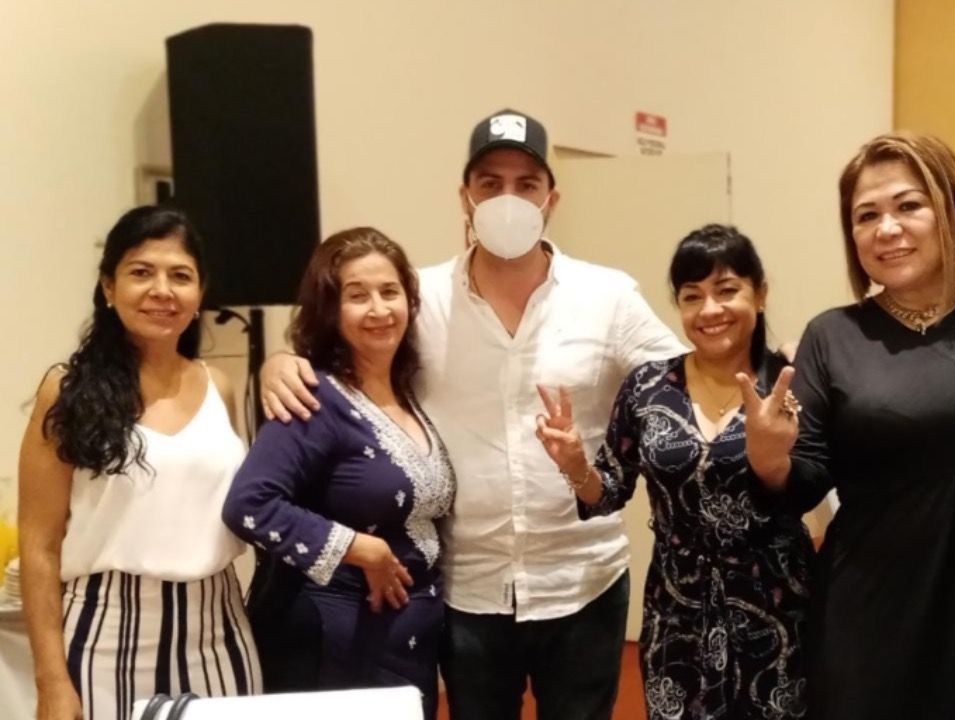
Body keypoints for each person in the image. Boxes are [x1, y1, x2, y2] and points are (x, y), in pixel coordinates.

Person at [259, 109, 685, 720]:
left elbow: (685, 381)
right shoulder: (419, 298)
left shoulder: (608, 296)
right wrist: (279, 361)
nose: (508, 198)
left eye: (526, 184)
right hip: (468, 587)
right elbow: (342, 353)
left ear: (552, 198)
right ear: (465, 196)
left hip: (583, 579)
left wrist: (773, 360)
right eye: (490, 183)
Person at [740, 132, 955, 719]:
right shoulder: (833, 336)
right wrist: (768, 456)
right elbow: (803, 481)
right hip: (874, 609)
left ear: (952, 208)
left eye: (908, 205)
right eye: (866, 215)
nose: (886, 229)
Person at [534, 224, 813, 719]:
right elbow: (608, 492)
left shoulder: (790, 384)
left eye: (727, 290)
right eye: (692, 296)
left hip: (775, 606)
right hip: (677, 611)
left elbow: (814, 482)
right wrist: (576, 466)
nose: (710, 310)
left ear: (760, 294)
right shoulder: (649, 387)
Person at [18, 206, 260, 720]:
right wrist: (50, 681)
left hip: (220, 631)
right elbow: (39, 546)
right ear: (109, 286)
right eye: (141, 272)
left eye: (181, 276)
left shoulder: (220, 386)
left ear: (199, 294)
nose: (162, 290)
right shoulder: (66, 390)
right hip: (104, 635)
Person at [222, 228, 455, 717]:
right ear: (329, 309)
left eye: (389, 292)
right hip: (332, 648)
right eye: (357, 295)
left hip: (408, 643)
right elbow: (249, 503)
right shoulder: (313, 397)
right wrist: (360, 548)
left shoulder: (411, 394)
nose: (379, 309)